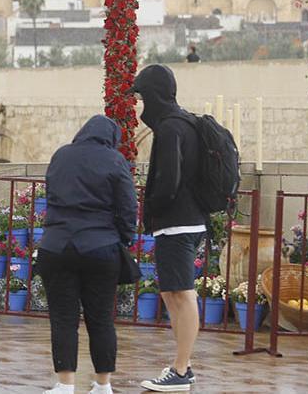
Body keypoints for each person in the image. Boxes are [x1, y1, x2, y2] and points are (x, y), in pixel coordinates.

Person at [37, 115, 137, 394]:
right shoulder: (114, 160)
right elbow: (128, 207)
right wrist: (123, 238)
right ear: (112, 137)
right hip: (100, 247)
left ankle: (65, 384)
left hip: (56, 246)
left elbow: (51, 195)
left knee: (63, 318)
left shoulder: (60, 155)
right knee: (101, 318)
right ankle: (103, 384)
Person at [132, 64, 205, 392]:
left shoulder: (171, 127)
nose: (141, 103)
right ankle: (182, 364)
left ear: (155, 95)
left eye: (143, 96)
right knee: (171, 292)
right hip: (182, 221)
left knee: (183, 293)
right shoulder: (182, 122)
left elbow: (169, 180)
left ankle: (181, 370)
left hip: (178, 222)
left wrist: (152, 208)